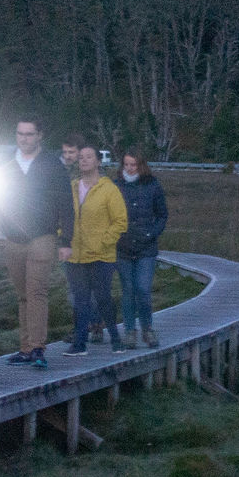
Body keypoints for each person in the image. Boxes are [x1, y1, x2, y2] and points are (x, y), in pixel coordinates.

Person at [0, 116, 71, 370]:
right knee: (22, 295)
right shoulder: (5, 164)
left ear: (40, 135)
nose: (24, 139)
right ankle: (25, 348)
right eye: (20, 134)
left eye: (29, 134)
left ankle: (38, 347)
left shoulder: (53, 164)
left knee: (37, 291)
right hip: (12, 238)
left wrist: (66, 240)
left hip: (43, 236)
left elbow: (65, 204)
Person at [62, 141, 127, 355]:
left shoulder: (109, 189)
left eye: (89, 157)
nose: (84, 160)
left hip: (101, 256)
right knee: (80, 300)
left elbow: (120, 221)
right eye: (81, 157)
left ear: (98, 162)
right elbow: (63, 216)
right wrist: (62, 239)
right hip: (75, 255)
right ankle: (79, 343)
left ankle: (116, 339)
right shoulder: (71, 188)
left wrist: (103, 242)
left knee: (103, 298)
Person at [114, 150, 169, 348]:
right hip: (122, 247)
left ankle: (148, 328)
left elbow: (162, 215)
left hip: (146, 247)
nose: (129, 168)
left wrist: (151, 233)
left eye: (133, 165)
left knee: (143, 289)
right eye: (126, 164)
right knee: (128, 289)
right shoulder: (116, 186)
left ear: (141, 165)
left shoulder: (153, 185)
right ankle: (130, 331)